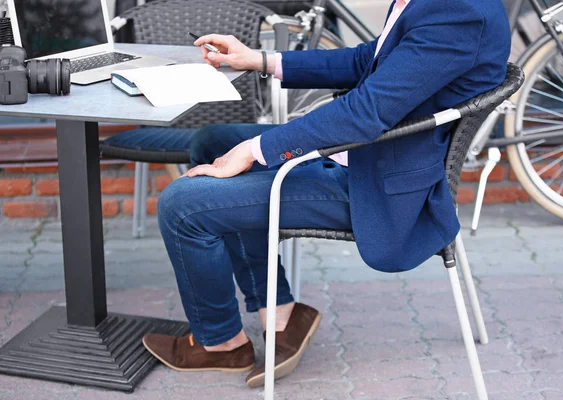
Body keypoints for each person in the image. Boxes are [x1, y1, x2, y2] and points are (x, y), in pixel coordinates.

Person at [142, 0, 511, 388]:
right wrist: (260, 60)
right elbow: (368, 60)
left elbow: (364, 112)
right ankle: (280, 310)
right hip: (367, 153)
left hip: (380, 186)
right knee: (211, 142)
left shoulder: (460, 13)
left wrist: (254, 151)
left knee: (181, 206)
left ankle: (220, 343)